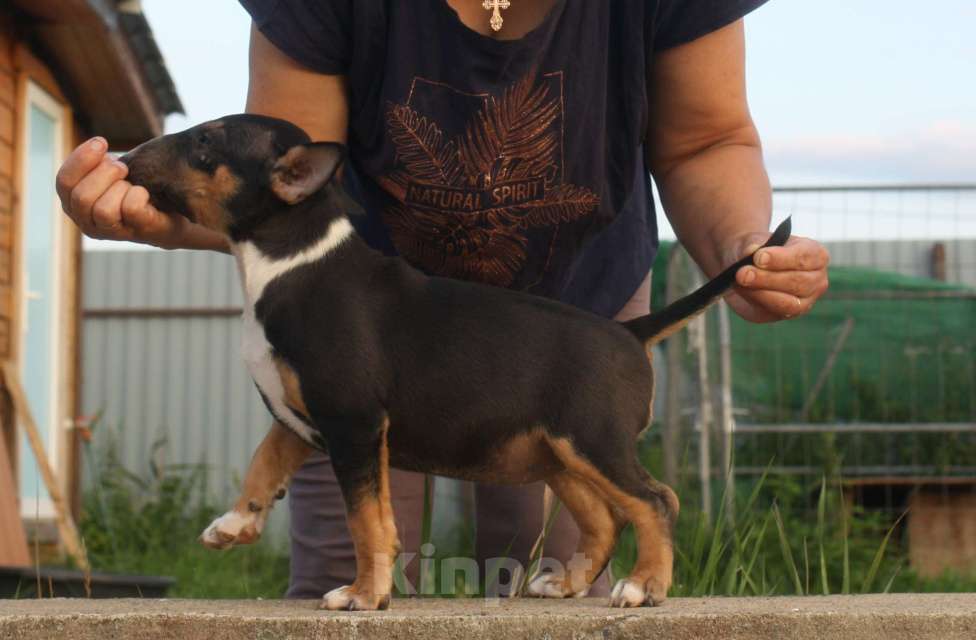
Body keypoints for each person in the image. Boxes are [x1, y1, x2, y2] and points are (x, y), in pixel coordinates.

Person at [56, 0, 829, 599]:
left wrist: (740, 252)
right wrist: (163, 216)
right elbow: (278, 192)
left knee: (542, 562)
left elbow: (704, 140)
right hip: (361, 318)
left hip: (568, 323)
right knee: (341, 563)